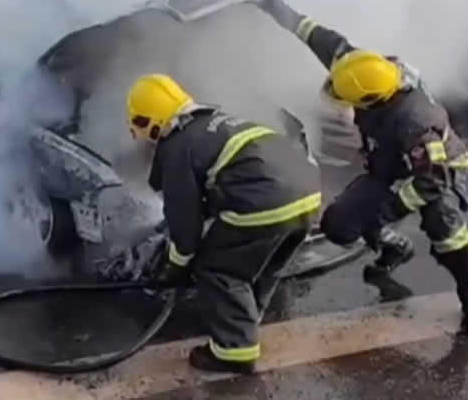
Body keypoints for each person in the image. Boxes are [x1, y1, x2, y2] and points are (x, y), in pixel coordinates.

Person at [251, 0, 468, 337]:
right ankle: (394, 246)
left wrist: (389, 208)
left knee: (446, 228)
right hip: (389, 165)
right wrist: (278, 11)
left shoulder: (417, 121)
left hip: (436, 172)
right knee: (339, 224)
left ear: (372, 101)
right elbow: (319, 37)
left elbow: (432, 180)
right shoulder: (362, 69)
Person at [126, 73, 323, 373]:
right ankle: (246, 316)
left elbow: (185, 226)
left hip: (266, 203)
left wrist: (175, 268)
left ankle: (235, 351)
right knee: (263, 263)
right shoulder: (216, 122)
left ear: (147, 121)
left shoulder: (178, 147)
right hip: (309, 194)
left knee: (218, 268)